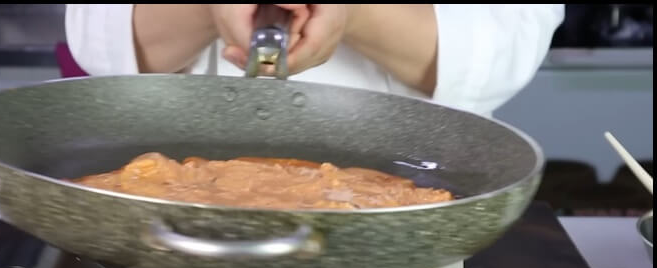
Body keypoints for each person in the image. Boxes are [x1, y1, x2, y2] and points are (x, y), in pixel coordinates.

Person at [65, 4, 564, 117]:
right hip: (172, 226)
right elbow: (103, 35)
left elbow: (500, 48)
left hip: (406, 230)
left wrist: (354, 12)